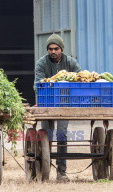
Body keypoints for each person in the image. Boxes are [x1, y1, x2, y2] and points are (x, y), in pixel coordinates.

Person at [34, 33, 81, 183]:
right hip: (47, 104)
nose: (53, 52)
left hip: (64, 105)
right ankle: (44, 168)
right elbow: (37, 85)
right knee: (46, 136)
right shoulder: (41, 63)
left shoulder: (70, 62)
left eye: (56, 48)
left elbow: (80, 79)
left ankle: (61, 172)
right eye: (50, 49)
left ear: (61, 49)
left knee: (61, 135)